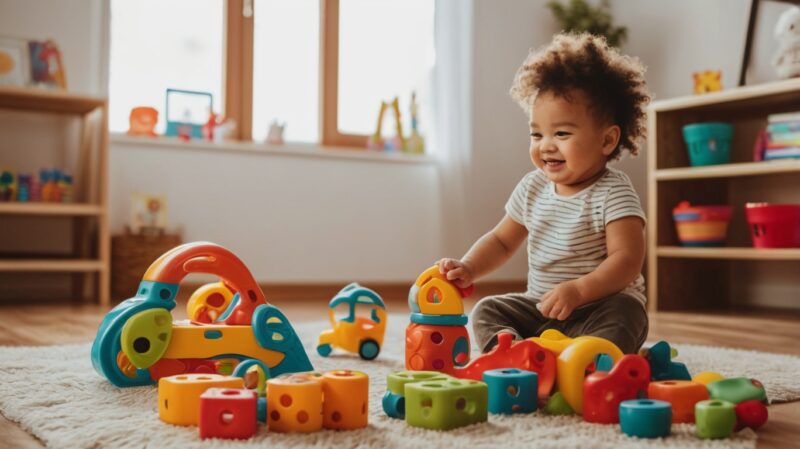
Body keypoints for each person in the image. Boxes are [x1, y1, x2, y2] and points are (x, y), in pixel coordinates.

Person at [438, 32, 651, 354]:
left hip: (599, 307)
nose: (545, 145)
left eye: (562, 133)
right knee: (486, 310)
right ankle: (518, 355)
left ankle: (591, 359)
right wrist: (469, 267)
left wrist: (579, 291)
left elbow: (628, 260)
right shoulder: (532, 187)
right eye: (536, 134)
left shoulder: (614, 192)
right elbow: (501, 240)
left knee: (626, 314)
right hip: (542, 308)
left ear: (607, 141)